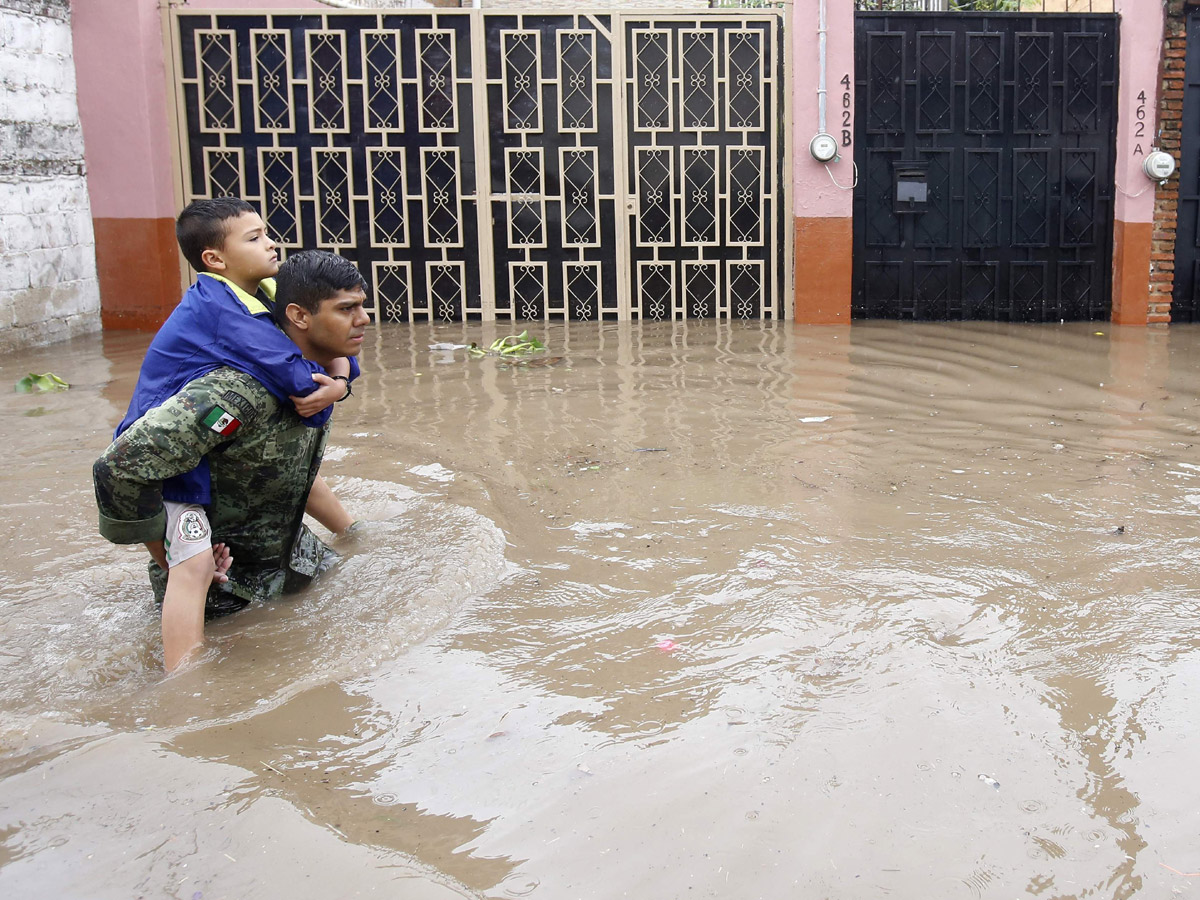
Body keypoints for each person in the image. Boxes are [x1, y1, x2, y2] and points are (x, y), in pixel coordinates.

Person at [94, 251, 371, 672]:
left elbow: (288, 470)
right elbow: (119, 465)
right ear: (299, 315)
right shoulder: (235, 392)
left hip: (299, 566)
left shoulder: (316, 377)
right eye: (347, 309)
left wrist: (355, 535)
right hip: (224, 600)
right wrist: (170, 557)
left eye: (362, 305)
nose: (364, 319)